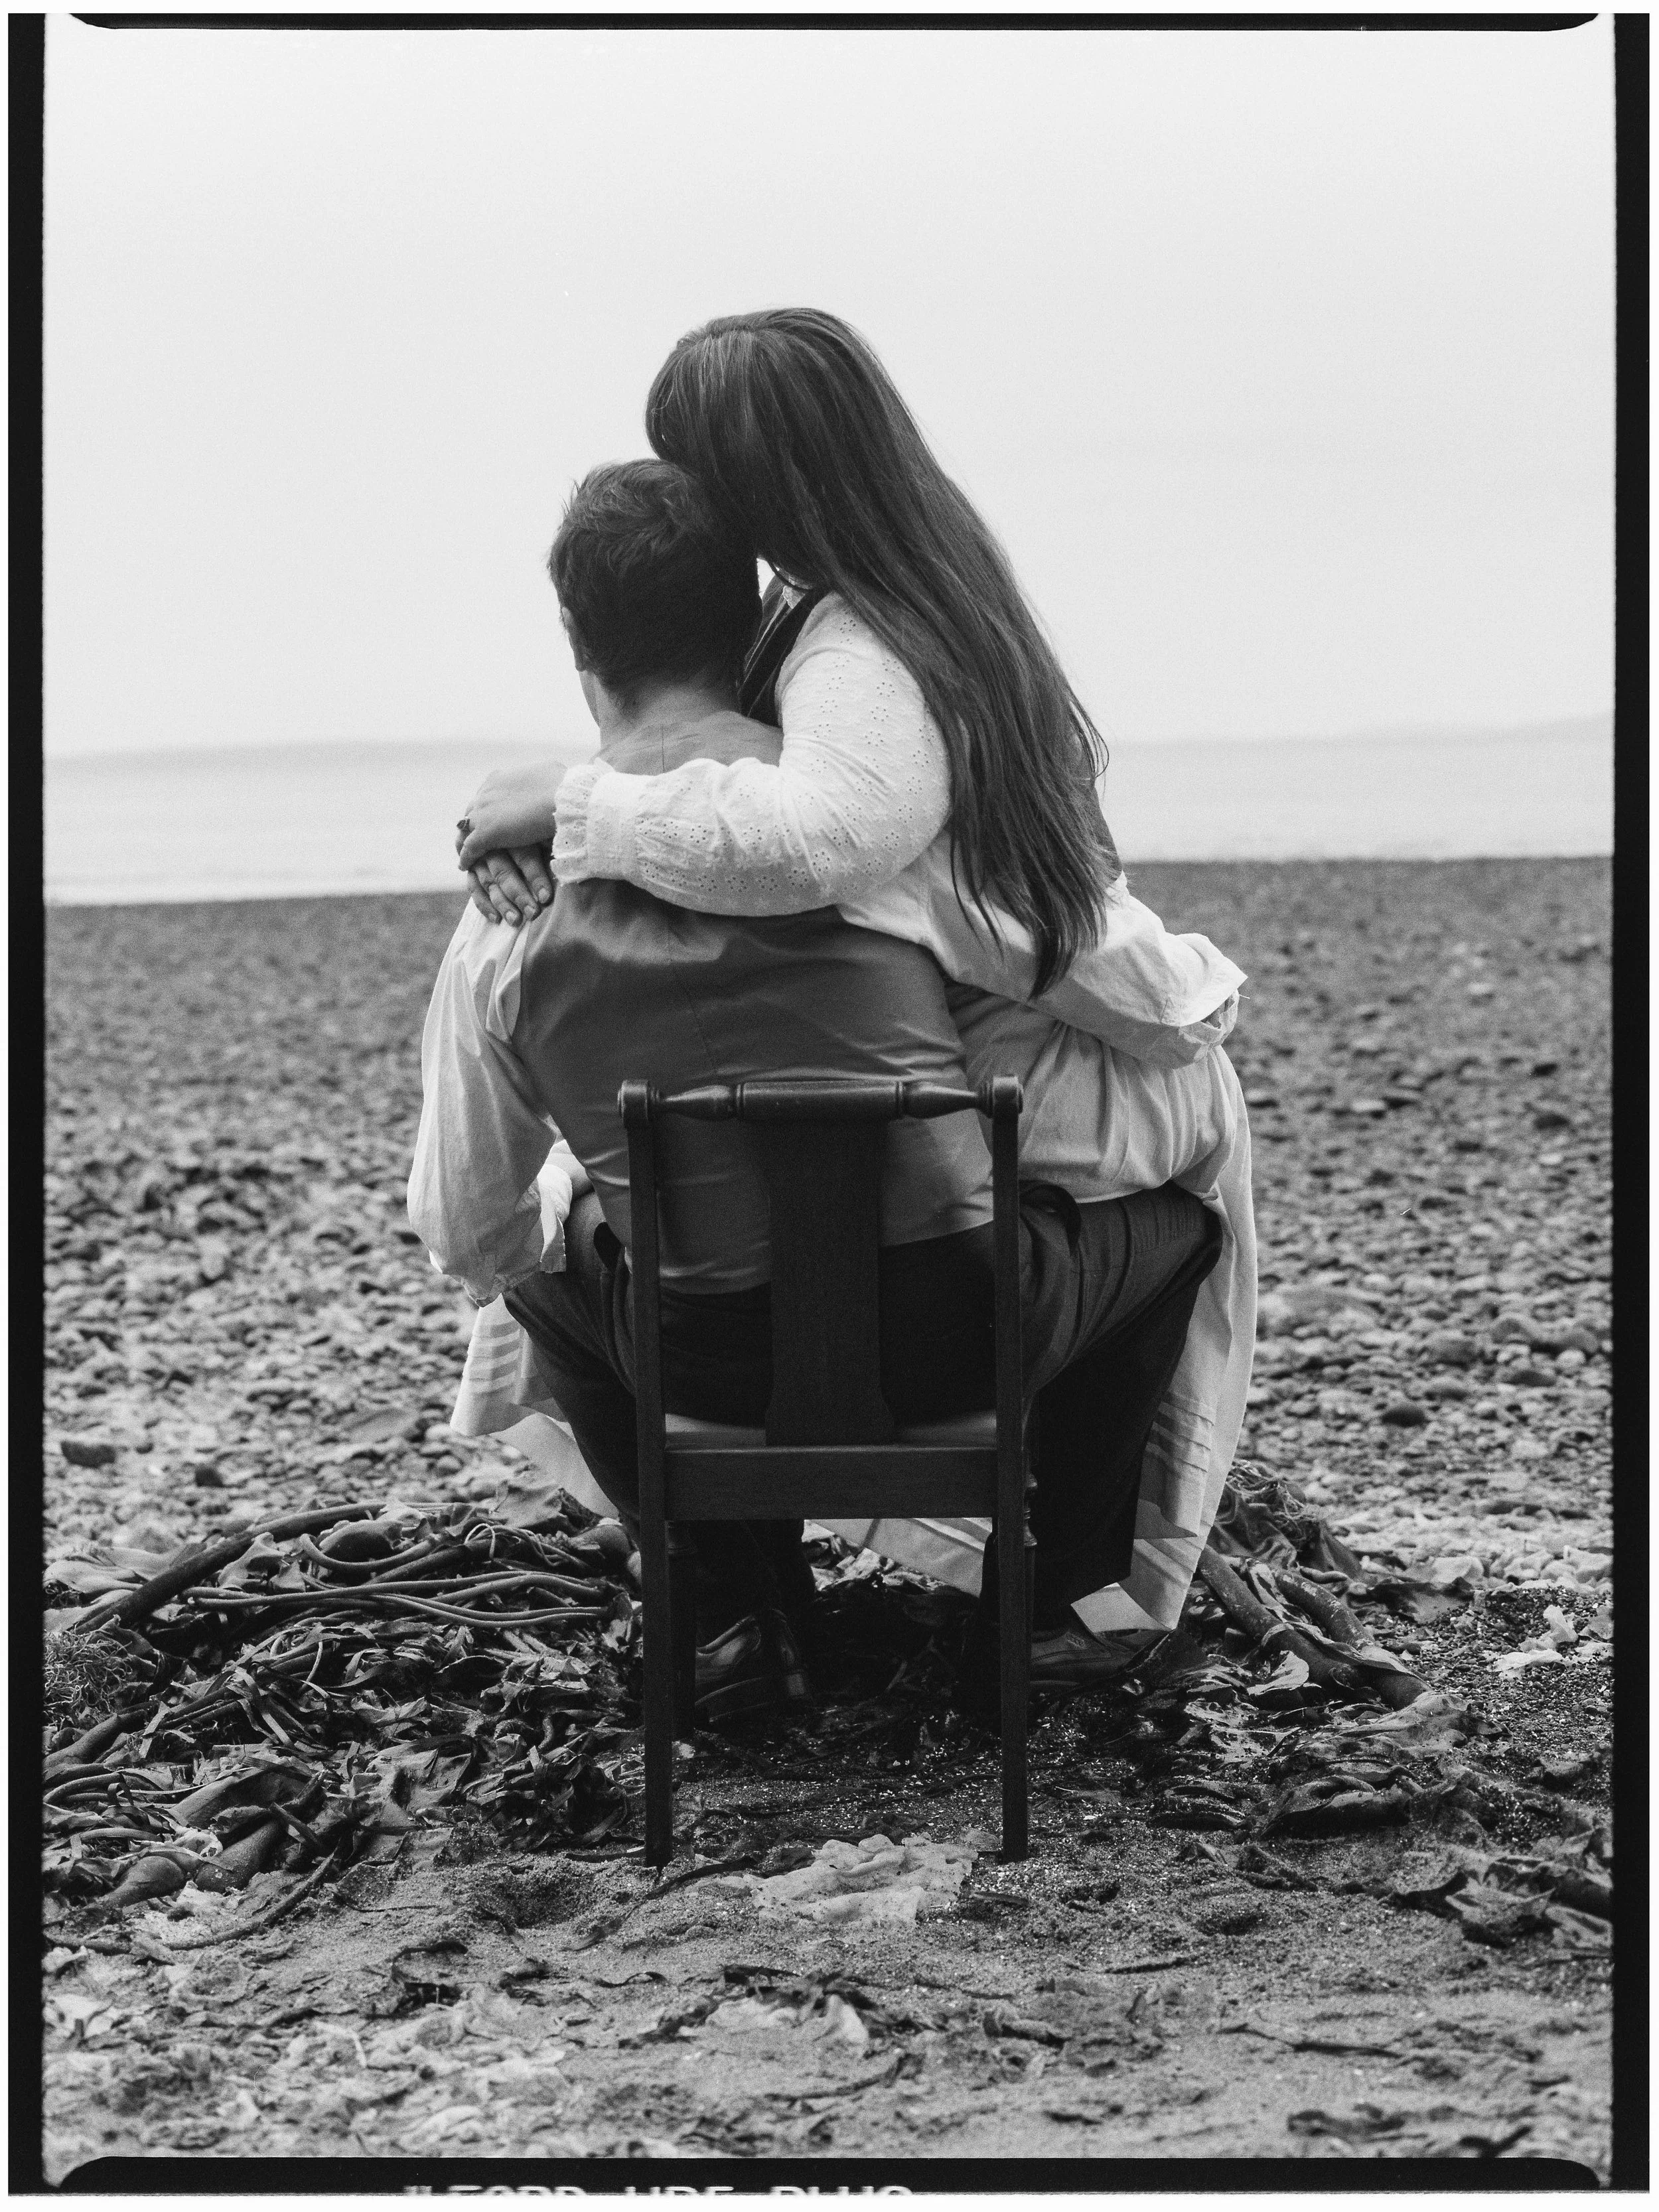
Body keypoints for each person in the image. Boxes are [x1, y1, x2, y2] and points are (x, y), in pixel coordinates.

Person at [449, 309, 1255, 1643]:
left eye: (695, 468)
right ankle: (1056, 1593)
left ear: (759, 474)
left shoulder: (857, 649)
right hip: (977, 1091)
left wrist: (578, 806)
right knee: (786, 1200)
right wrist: (540, 814)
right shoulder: (910, 597)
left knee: (584, 1222)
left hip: (1021, 1076)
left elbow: (817, 840)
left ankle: (746, 1608)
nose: (693, 505)